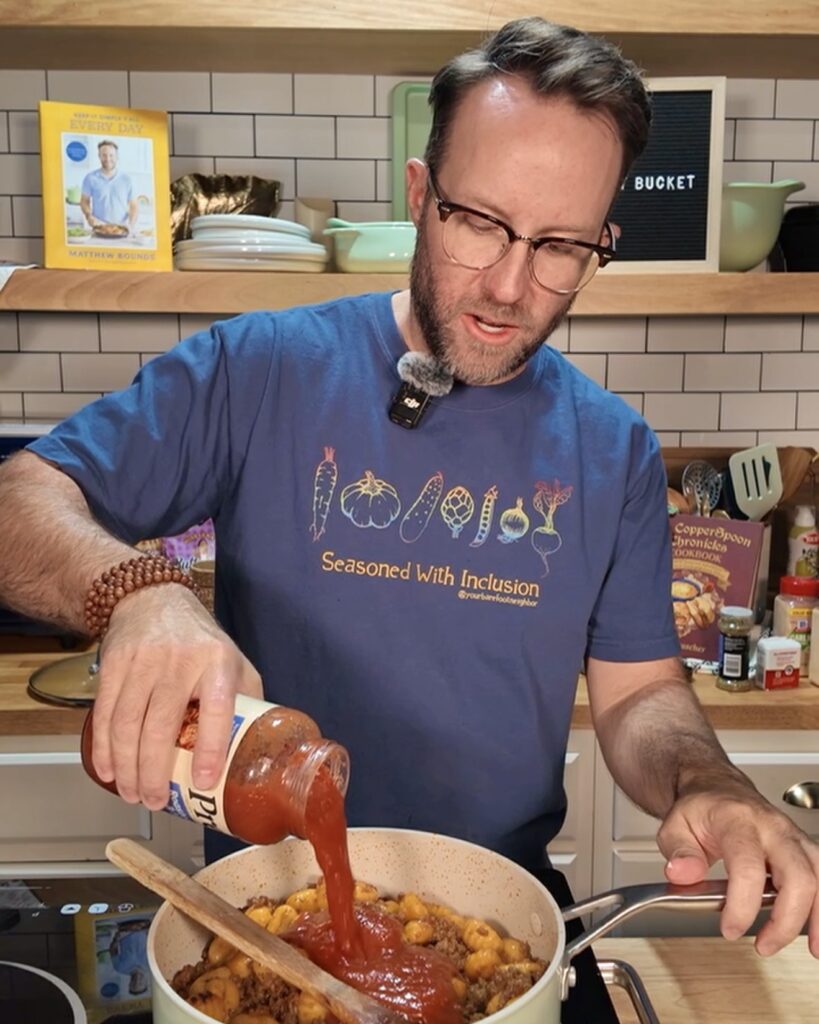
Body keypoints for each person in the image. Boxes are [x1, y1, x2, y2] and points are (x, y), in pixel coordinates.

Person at [1, 17, 817, 962]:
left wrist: (705, 784)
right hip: (263, 916)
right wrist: (138, 593)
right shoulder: (260, 368)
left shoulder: (613, 449)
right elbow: (19, 500)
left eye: (561, 245)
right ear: (421, 197)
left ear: (602, 243)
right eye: (480, 222)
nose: (510, 285)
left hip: (500, 924)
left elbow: (640, 698)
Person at [80, 139, 138, 234]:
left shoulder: (127, 179)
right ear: (99, 156)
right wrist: (88, 215)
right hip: (98, 228)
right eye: (104, 155)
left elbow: (134, 206)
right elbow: (84, 201)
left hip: (121, 230)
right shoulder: (90, 178)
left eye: (111, 155)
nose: (108, 159)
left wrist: (131, 226)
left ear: (117, 157)